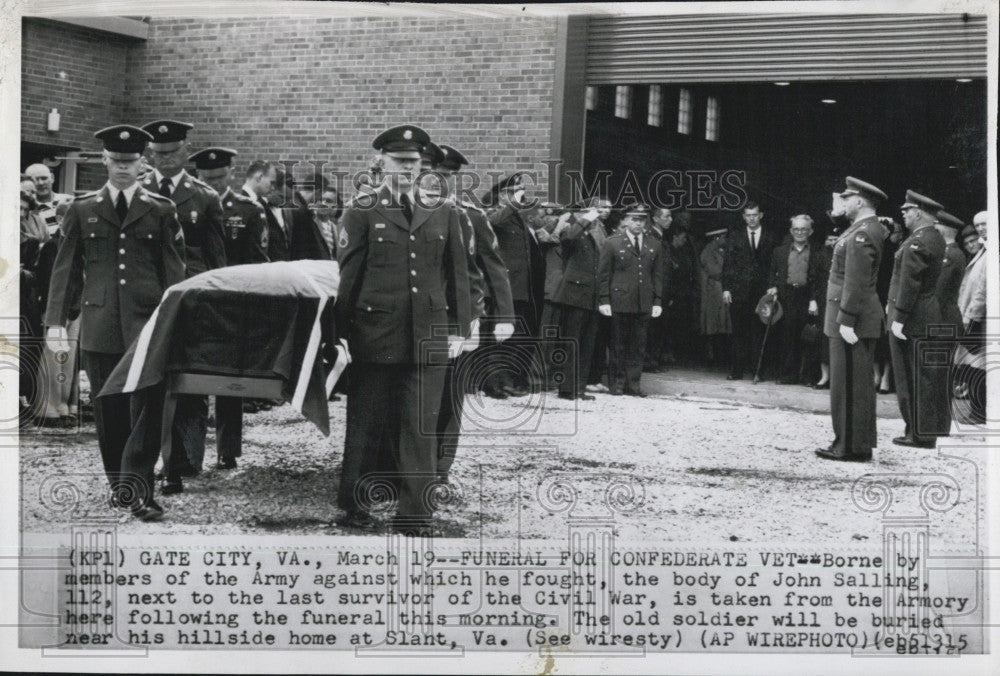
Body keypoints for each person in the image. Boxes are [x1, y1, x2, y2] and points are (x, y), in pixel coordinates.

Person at [335, 124, 470, 535]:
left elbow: (458, 274)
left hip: (429, 332)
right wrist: (340, 334)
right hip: (375, 332)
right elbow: (348, 277)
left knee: (421, 425)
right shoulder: (361, 209)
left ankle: (415, 514)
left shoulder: (443, 210)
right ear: (380, 163)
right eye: (400, 162)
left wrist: (459, 327)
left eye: (414, 162)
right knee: (366, 422)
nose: (409, 169)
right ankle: (355, 505)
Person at [45, 124, 185, 520]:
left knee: (148, 407)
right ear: (105, 161)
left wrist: (176, 321)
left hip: (147, 324)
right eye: (116, 161)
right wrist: (56, 323)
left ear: (143, 163)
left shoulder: (160, 209)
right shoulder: (81, 208)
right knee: (109, 412)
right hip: (100, 322)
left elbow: (174, 272)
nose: (123, 168)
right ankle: (121, 488)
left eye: (131, 162)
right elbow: (66, 269)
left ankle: (139, 488)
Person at [142, 119, 227, 492]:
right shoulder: (138, 192)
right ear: (149, 155)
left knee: (189, 380)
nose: (165, 160)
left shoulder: (205, 197)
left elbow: (216, 257)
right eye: (158, 153)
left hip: (192, 298)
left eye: (173, 152)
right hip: (147, 299)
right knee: (151, 381)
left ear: (185, 152)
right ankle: (150, 457)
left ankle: (184, 458)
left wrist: (218, 303)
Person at [429, 142, 514, 480]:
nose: (441, 181)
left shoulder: (470, 214)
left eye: (448, 175)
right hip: (418, 316)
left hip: (456, 318)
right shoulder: (404, 211)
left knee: (450, 395)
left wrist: (504, 316)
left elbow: (494, 266)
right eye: (435, 173)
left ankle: (439, 467)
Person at [189, 146, 270, 470]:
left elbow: (257, 262)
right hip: (196, 300)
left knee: (229, 381)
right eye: (208, 178)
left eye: (220, 177)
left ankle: (228, 449)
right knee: (190, 378)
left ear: (231, 174)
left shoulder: (248, 210)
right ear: (198, 176)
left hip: (233, 304)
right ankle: (190, 453)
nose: (215, 183)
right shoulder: (186, 205)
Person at [816, 177, 887, 463]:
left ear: (859, 201)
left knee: (847, 384)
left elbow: (856, 282)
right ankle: (855, 443)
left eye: (847, 198)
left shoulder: (862, 233)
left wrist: (845, 320)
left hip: (851, 317)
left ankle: (848, 446)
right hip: (852, 315)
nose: (842, 203)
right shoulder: (863, 228)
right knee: (855, 382)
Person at [888, 191, 949, 448]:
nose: (903, 213)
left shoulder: (919, 241)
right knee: (921, 375)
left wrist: (898, 316)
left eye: (906, 210)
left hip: (913, 315)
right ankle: (919, 430)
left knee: (911, 376)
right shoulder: (932, 237)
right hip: (924, 312)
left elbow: (909, 282)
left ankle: (919, 433)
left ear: (919, 213)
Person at [484, 173, 543, 397]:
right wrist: (513, 205)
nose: (519, 195)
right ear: (501, 194)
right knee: (495, 338)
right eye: (513, 191)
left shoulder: (517, 217)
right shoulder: (495, 212)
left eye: (520, 191)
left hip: (518, 287)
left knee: (512, 338)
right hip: (502, 287)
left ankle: (505, 380)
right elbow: (492, 222)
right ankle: (491, 383)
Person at [597, 202, 664, 397]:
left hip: (643, 302)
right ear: (625, 220)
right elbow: (604, 275)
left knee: (638, 346)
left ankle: (633, 384)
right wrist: (604, 300)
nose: (638, 223)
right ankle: (617, 384)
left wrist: (657, 301)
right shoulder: (612, 242)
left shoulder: (654, 244)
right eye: (634, 219)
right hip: (619, 301)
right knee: (618, 345)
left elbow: (658, 276)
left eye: (642, 219)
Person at [551, 205, 604, 401]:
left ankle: (579, 387)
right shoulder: (570, 231)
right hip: (574, 296)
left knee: (586, 345)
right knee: (571, 343)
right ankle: (566, 388)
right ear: (581, 215)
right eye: (591, 214)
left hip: (590, 297)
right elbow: (569, 237)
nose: (596, 218)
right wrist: (586, 217)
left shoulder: (593, 237)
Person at [722, 201, 776, 380]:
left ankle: (757, 371)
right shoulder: (735, 236)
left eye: (755, 215)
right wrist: (726, 288)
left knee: (758, 331)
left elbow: (774, 265)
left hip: (761, 292)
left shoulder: (770, 236)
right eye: (748, 215)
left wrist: (772, 285)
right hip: (738, 291)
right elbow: (728, 264)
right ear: (744, 217)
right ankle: (736, 371)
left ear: (761, 215)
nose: (751, 219)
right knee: (738, 332)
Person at [767, 215, 823, 384]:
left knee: (809, 336)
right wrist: (773, 286)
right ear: (791, 231)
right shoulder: (780, 251)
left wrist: (814, 299)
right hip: (787, 296)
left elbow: (819, 278)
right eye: (796, 229)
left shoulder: (817, 251)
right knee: (788, 336)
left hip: (807, 296)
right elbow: (772, 273)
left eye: (804, 229)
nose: (800, 232)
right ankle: (788, 375)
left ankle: (808, 376)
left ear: (810, 231)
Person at [955, 210, 987, 423]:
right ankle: (978, 409)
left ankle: (979, 411)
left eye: (984, 224)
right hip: (977, 314)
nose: (981, 228)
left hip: (981, 315)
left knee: (980, 363)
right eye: (978, 225)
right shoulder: (984, 249)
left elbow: (983, 287)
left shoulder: (990, 250)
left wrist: (971, 314)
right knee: (977, 362)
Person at [698, 227, 731, 368]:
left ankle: (719, 355)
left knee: (721, 323)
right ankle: (711, 355)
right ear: (716, 238)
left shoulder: (721, 250)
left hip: (719, 290)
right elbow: (715, 271)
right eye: (724, 237)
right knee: (712, 324)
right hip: (712, 291)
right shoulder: (708, 251)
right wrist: (730, 274)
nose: (726, 240)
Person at [645, 207, 672, 370]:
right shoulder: (651, 237)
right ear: (656, 219)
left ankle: (653, 360)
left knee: (659, 327)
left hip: (663, 288)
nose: (670, 219)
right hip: (655, 289)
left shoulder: (662, 237)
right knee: (652, 327)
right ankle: (649, 361)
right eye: (666, 216)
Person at [288, 168, 334, 261]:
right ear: (318, 191)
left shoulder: (297, 206)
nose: (320, 200)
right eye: (322, 195)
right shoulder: (300, 211)